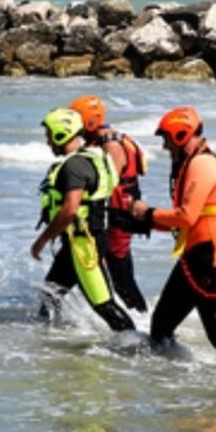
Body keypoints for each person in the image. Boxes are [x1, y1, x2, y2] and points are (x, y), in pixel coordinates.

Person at [130, 107, 216, 368]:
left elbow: (186, 217)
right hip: (194, 259)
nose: (164, 146)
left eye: (166, 139)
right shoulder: (190, 163)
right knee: (161, 327)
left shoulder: (202, 165)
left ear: (180, 135)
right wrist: (145, 222)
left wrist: (148, 213)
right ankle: (178, 384)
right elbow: (188, 223)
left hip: (212, 262)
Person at [31, 107, 135, 333]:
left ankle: (140, 349)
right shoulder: (94, 156)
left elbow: (70, 210)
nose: (48, 141)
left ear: (61, 134)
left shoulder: (73, 167)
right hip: (79, 242)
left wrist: (41, 241)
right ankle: (48, 346)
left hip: (84, 246)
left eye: (49, 135)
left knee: (104, 305)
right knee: (50, 296)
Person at [69, 94, 149, 312]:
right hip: (112, 215)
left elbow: (106, 183)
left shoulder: (111, 145)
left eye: (77, 121)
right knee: (113, 275)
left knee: (122, 278)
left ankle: (145, 324)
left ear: (90, 121)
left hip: (117, 218)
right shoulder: (104, 140)